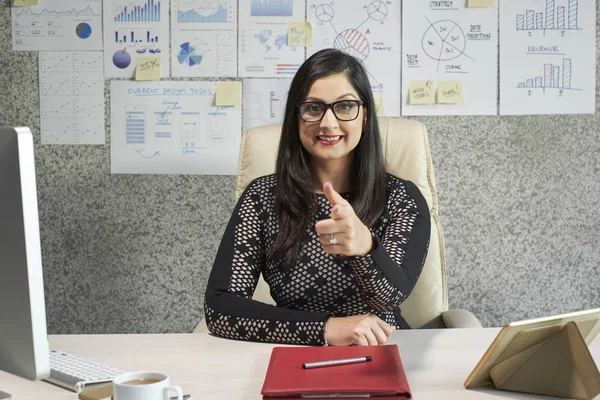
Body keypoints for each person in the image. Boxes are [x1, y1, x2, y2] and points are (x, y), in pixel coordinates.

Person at [204, 48, 431, 346]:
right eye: (313, 108)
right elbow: (221, 308)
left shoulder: (401, 197)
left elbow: (389, 296)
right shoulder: (263, 197)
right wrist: (326, 328)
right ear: (295, 117)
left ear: (364, 115)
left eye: (345, 106)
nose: (328, 123)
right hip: (293, 350)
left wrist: (365, 247)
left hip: (382, 349)